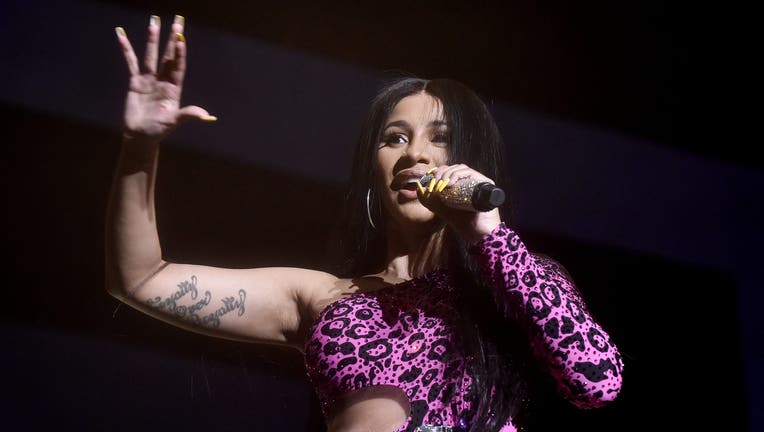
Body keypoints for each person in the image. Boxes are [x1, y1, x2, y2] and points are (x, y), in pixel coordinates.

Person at [106, 14, 624, 432]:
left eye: (440, 137)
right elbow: (142, 279)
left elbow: (597, 381)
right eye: (394, 138)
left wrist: (488, 235)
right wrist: (138, 148)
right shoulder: (325, 299)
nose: (414, 154)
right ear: (373, 172)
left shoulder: (513, 284)